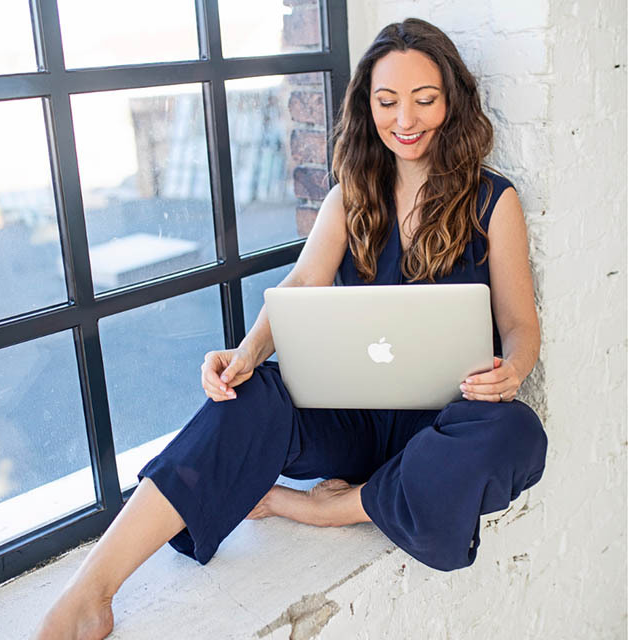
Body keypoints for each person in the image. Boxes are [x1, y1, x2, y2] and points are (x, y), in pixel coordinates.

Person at [33, 17, 548, 640]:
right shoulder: (350, 195)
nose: (405, 119)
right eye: (387, 102)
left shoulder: (495, 201)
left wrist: (511, 370)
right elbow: (300, 289)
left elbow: (520, 326)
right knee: (249, 396)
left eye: (424, 100)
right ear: (367, 106)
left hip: (441, 430)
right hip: (352, 419)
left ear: (452, 102)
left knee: (517, 433)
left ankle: (326, 509)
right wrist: (247, 353)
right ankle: (92, 589)